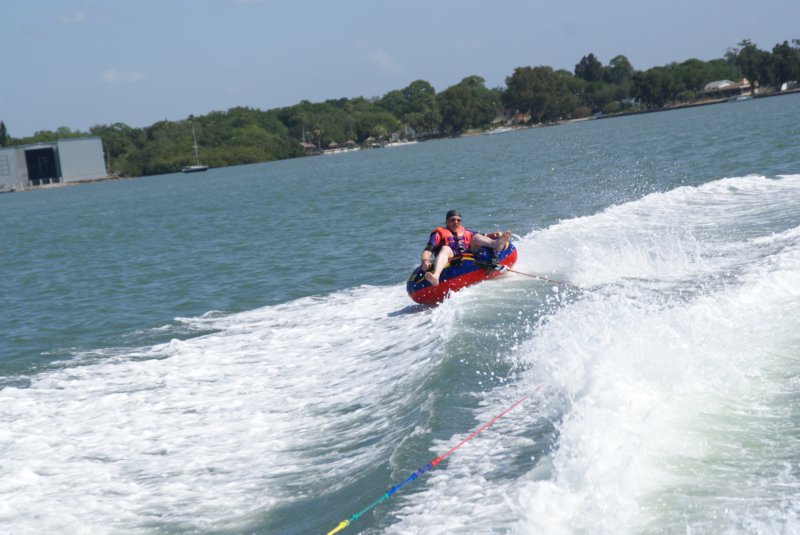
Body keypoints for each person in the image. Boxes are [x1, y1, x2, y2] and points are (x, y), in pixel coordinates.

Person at [420, 210, 511, 286]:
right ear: (446, 222)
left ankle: (496, 244)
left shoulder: (465, 232)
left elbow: (484, 235)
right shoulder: (438, 234)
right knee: (445, 248)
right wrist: (425, 260)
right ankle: (436, 276)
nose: (456, 222)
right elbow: (428, 250)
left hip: (466, 257)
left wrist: (495, 235)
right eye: (452, 220)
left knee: (476, 237)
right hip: (449, 259)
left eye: (458, 220)